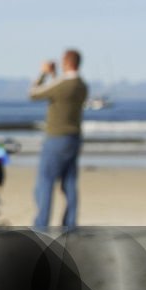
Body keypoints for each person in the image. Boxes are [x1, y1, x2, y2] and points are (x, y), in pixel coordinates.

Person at [29, 49, 88, 228]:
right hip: (74, 138)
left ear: (67, 62)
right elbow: (60, 89)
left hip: (56, 138)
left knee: (45, 182)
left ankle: (42, 224)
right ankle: (70, 225)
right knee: (69, 182)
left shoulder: (63, 84)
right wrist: (55, 75)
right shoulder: (81, 85)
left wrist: (44, 73)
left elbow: (33, 93)